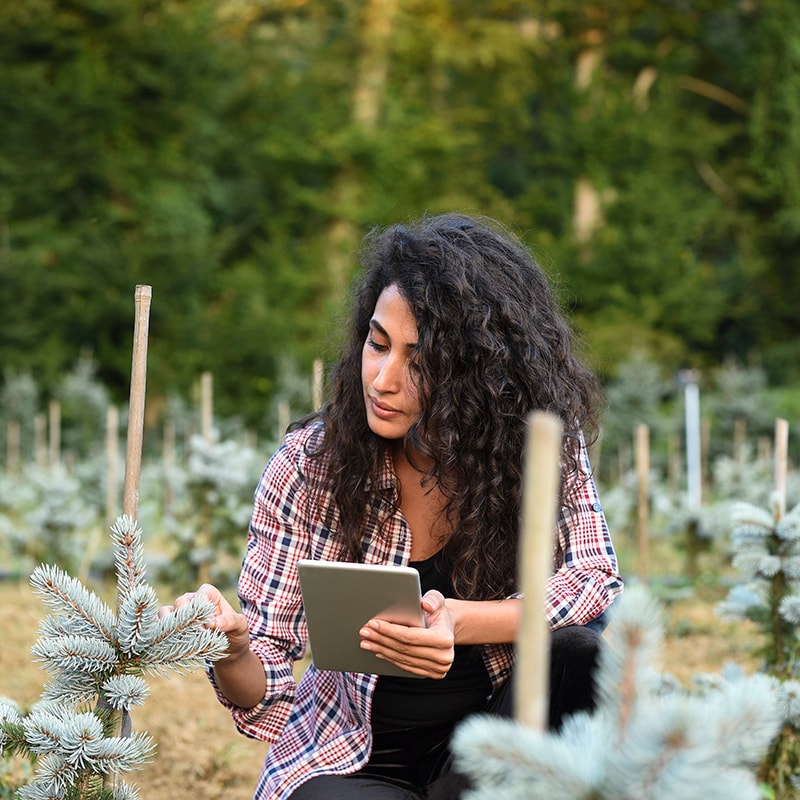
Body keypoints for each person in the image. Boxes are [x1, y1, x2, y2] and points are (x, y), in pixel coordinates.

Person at [163, 213, 623, 800]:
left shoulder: (539, 447)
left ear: (478, 376)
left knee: (578, 656)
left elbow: (594, 581)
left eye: (418, 359)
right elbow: (267, 688)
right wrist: (231, 650)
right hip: (361, 763)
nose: (382, 378)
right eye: (377, 345)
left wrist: (460, 621)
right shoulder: (312, 466)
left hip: (491, 744)